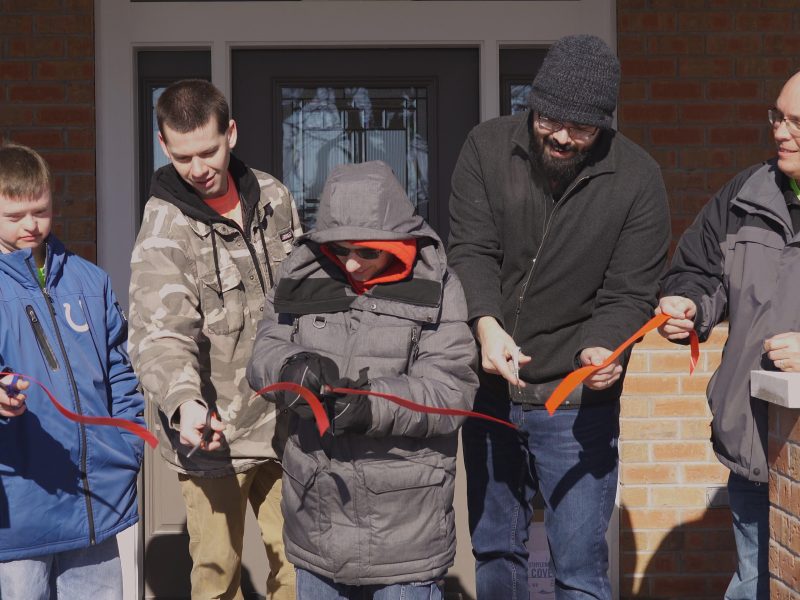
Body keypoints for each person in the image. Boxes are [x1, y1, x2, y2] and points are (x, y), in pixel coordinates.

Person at [447, 35, 671, 599]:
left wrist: (604, 347)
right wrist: (485, 324)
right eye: (549, 120)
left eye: (582, 128)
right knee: (496, 550)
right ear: (533, 102)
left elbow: (630, 292)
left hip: (577, 404)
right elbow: (470, 250)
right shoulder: (487, 148)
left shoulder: (638, 179)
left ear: (604, 124)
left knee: (578, 567)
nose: (563, 137)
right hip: (491, 392)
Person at [246, 160, 478, 599]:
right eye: (341, 248)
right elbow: (264, 351)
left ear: (399, 242)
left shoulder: (439, 287)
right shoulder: (302, 275)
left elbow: (451, 391)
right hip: (317, 519)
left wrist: (373, 405)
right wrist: (289, 369)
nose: (352, 262)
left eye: (367, 251)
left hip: (405, 529)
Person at [128, 79, 301, 600]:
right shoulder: (164, 225)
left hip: (286, 424)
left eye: (208, 151)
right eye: (183, 157)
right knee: (216, 579)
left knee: (300, 570)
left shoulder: (273, 196)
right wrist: (184, 404)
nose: (198, 168)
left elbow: (304, 299)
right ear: (163, 145)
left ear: (231, 133)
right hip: (213, 433)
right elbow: (159, 332)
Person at [656, 71, 800, 600]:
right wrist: (689, 305)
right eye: (777, 117)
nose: (781, 133)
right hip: (752, 439)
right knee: (754, 583)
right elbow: (698, 270)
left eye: (797, 123)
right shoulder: (745, 193)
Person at [0, 143, 145, 598]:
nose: (31, 225)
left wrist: (128, 449)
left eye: (40, 211)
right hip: (20, 512)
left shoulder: (90, 281)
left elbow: (121, 375)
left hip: (94, 504)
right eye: (15, 216)